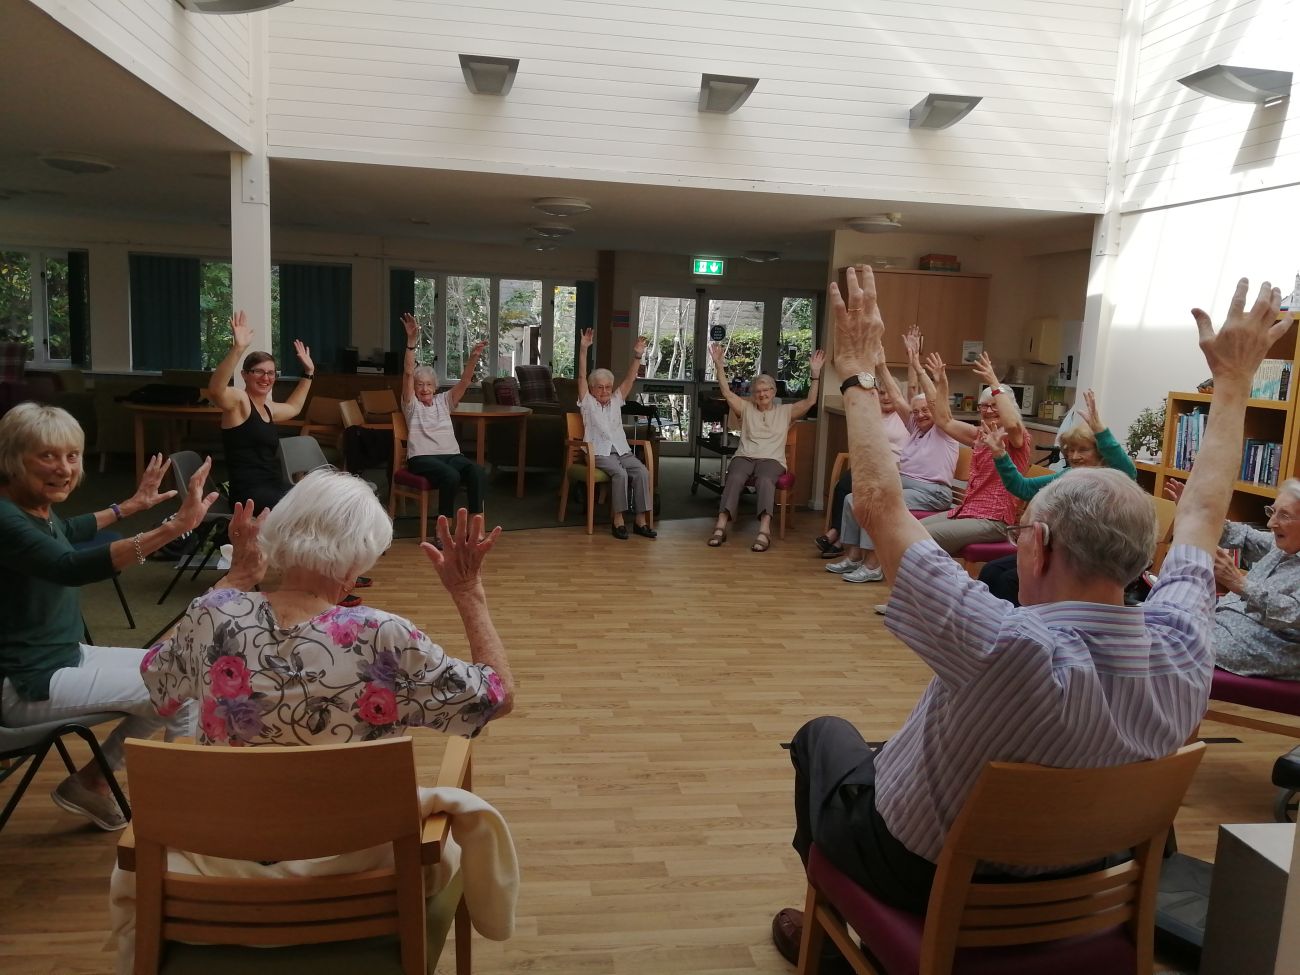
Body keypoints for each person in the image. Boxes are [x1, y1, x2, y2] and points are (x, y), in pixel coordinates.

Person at [770, 266, 1284, 968]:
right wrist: (1233, 388)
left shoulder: (1002, 644)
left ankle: (828, 936)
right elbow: (1200, 513)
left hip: (929, 876)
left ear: (1035, 543)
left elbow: (880, 507)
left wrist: (857, 373)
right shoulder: (1185, 641)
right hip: (1088, 879)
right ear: (1137, 562)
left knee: (824, 737)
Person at [140, 470, 515, 745]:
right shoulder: (383, 636)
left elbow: (154, 671)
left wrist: (234, 579)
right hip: (354, 848)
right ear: (356, 563)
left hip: (225, 843)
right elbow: (496, 698)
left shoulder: (212, 613)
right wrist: (468, 591)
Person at [0, 403, 220, 831]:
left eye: (71, 456)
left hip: (62, 657)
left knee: (181, 669)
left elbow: (70, 531)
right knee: (181, 685)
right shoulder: (5, 519)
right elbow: (69, 565)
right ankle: (187, 811)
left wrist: (129, 507)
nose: (64, 468)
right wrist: (172, 529)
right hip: (25, 684)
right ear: (11, 457)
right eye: (47, 456)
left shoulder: (32, 509)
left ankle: (96, 780)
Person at [978, 388, 1137, 604]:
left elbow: (1128, 471)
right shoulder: (1066, 476)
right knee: (990, 571)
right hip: (1056, 550)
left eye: (1083, 450)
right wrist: (1000, 455)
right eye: (1070, 450)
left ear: (1100, 452)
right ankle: (994, 629)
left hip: (1085, 558)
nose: (1074, 456)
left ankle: (1024, 629)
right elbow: (1022, 488)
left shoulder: (1110, 478)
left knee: (1008, 581)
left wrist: (1101, 431)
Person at [1164, 476, 1300, 680]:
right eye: (1272, 512)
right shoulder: (1282, 547)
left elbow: (1292, 613)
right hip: (1224, 624)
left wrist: (1239, 584)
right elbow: (1243, 536)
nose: (1271, 523)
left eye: (1284, 515)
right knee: (1163, 619)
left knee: (1169, 637)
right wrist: (1199, 512)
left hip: (1265, 646)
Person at [706, 342, 825, 552]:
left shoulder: (785, 411)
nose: (762, 394)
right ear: (753, 394)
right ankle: (721, 526)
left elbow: (810, 402)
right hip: (745, 456)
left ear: (774, 390)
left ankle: (764, 530)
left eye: (766, 390)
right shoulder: (746, 408)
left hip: (772, 460)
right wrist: (719, 365)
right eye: (757, 391)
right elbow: (727, 393)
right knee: (734, 476)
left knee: (766, 479)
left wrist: (815, 375)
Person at [814, 333, 917, 559]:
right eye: (881, 393)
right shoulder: (874, 413)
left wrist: (912, 359)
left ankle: (838, 538)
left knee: (862, 491)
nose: (886, 397)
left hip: (896, 469)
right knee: (844, 486)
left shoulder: (906, 414)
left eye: (889, 393)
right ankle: (837, 534)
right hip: (872, 466)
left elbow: (912, 388)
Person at [206, 310, 316, 514]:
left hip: (273, 487)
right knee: (305, 510)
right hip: (249, 494)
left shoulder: (268, 407)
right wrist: (238, 348)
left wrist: (308, 373)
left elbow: (294, 407)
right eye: (258, 371)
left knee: (319, 500)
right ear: (245, 375)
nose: (266, 378)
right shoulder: (240, 402)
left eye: (271, 373)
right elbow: (216, 390)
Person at [399, 312, 488, 524]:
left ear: (435, 386)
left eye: (428, 384)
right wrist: (411, 344)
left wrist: (473, 358)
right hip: (421, 457)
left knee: (476, 471)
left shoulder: (444, 401)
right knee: (451, 476)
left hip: (450, 455)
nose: (424, 388)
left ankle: (477, 525)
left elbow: (465, 381)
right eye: (420, 384)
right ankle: (443, 527)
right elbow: (408, 373)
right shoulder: (411, 405)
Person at [577, 327, 656, 539]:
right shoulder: (587, 403)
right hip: (599, 452)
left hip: (621, 450)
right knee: (620, 473)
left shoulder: (615, 400)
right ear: (592, 389)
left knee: (641, 471)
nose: (604, 391)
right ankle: (618, 519)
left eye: (608, 387)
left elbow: (630, 378)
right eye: (600, 387)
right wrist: (584, 349)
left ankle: (640, 520)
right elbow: (582, 376)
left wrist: (638, 355)